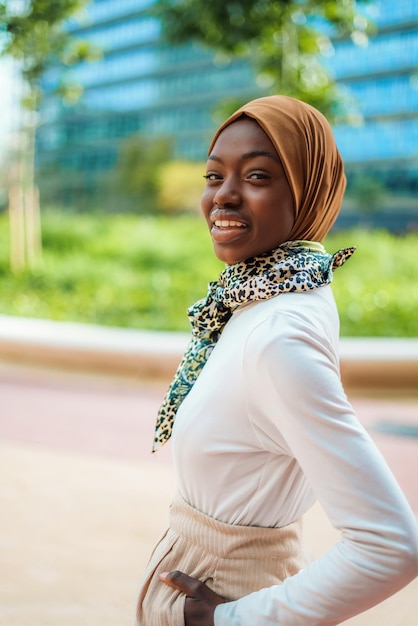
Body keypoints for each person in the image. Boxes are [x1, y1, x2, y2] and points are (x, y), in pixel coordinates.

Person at [136, 95, 418, 626]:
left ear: (309, 189)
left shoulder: (277, 333)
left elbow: (391, 546)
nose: (223, 197)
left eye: (258, 176)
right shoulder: (272, 292)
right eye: (214, 176)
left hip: (232, 594)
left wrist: (230, 620)